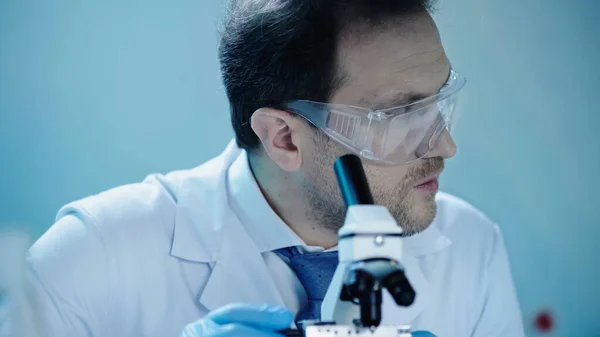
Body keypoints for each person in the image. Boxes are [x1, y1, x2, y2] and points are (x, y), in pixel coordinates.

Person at [23, 0, 525, 336]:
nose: (446, 145)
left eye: (438, 103)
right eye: (398, 117)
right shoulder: (90, 258)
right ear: (284, 138)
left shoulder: (471, 247)